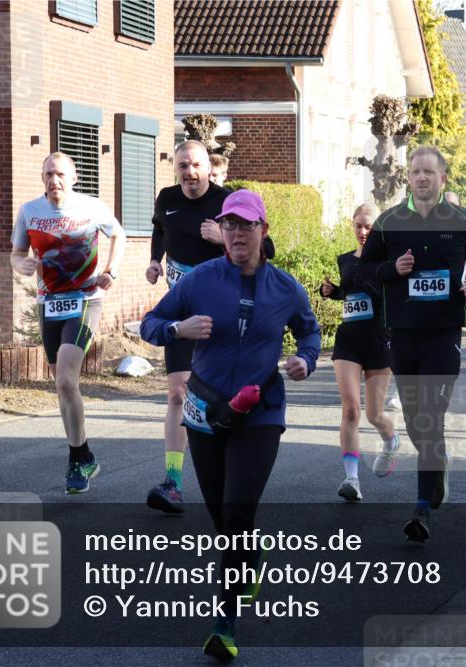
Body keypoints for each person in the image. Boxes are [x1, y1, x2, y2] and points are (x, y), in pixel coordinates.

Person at [140, 189, 320, 661]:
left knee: (237, 511)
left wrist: (305, 359)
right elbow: (151, 323)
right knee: (225, 521)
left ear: (263, 231)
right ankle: (250, 557)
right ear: (222, 232)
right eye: (230, 226)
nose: (238, 234)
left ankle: (225, 623)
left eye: (246, 225)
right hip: (206, 414)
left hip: (261, 415)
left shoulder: (285, 287)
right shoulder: (200, 280)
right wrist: (178, 330)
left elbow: (310, 330)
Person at [351, 145, 466, 543]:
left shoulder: (463, 219)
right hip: (403, 333)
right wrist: (390, 269)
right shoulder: (389, 221)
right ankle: (439, 464)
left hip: (444, 333)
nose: (421, 178)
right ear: (409, 177)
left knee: (430, 415)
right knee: (416, 421)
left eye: (429, 172)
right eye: (415, 172)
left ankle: (421, 509)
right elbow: (363, 271)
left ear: (442, 178)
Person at [10, 152, 124, 493]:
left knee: (64, 380)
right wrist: (22, 265)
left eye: (60, 174)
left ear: (73, 178)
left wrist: (110, 271)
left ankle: (76, 459)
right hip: (49, 304)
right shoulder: (30, 211)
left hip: (86, 301)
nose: (53, 181)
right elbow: (16, 254)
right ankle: (84, 454)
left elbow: (118, 235)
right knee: (64, 387)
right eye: (48, 174)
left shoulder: (91, 207)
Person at [145, 140, 231, 513]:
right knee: (178, 393)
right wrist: (154, 261)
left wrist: (223, 236)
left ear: (208, 168)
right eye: (183, 166)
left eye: (195, 165)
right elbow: (161, 230)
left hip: (222, 317)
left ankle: (231, 475)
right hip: (181, 314)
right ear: (176, 168)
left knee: (222, 396)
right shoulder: (166, 198)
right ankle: (173, 482)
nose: (190, 173)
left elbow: (267, 248)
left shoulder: (228, 202)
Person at [319, 203, 400, 500]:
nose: (363, 232)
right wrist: (331, 291)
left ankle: (391, 440)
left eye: (369, 226)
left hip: (379, 340)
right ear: (352, 226)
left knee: (375, 413)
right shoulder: (345, 260)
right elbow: (350, 293)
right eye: (359, 226)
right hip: (349, 340)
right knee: (350, 408)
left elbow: (390, 295)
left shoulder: (389, 260)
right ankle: (351, 479)